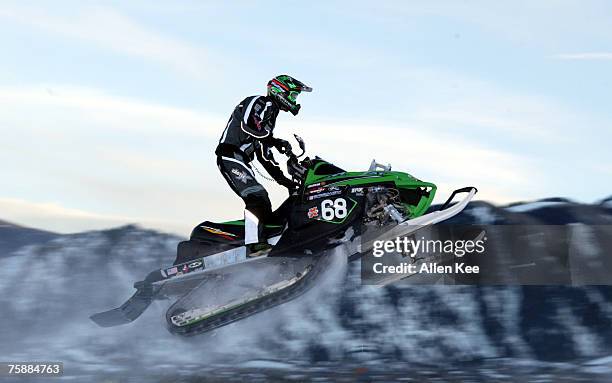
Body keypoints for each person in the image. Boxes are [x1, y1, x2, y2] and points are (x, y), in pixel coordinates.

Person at [215, 75, 312, 257]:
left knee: (263, 201)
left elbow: (264, 156)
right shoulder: (259, 101)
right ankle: (253, 245)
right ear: (279, 90)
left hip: (240, 158)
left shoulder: (270, 115)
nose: (293, 100)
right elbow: (248, 125)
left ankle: (265, 240)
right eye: (292, 95)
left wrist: (285, 181)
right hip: (230, 154)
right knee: (256, 197)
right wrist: (273, 140)